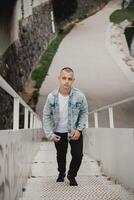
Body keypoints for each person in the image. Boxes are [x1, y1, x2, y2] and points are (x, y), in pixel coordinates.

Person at [43, 67, 88, 186]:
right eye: (64, 78)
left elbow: (84, 113)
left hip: (74, 131)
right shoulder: (51, 97)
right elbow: (46, 115)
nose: (66, 81)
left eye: (69, 79)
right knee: (61, 155)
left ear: (73, 80)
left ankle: (71, 175)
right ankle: (61, 172)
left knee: (78, 155)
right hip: (58, 132)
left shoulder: (80, 96)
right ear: (59, 79)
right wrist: (50, 134)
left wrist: (79, 129)